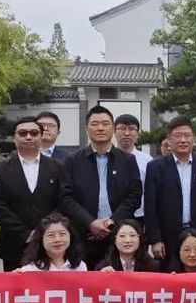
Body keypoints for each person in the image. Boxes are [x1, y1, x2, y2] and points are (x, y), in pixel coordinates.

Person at [59, 105, 142, 268]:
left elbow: (134, 196)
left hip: (118, 234)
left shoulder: (128, 160)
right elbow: (66, 197)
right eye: (95, 124)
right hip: (83, 235)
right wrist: (90, 222)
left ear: (113, 128)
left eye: (105, 124)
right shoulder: (73, 161)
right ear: (86, 129)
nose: (100, 128)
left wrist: (111, 223)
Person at [0, 116, 64, 271]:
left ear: (41, 136)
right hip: (14, 244)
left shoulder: (57, 168)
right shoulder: (0, 170)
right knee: (16, 285)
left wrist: (44, 229)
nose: (28, 137)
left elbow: (63, 200)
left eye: (34, 133)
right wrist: (24, 233)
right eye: (22, 133)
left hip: (51, 242)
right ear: (14, 138)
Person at [145, 116, 196, 266]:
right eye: (178, 136)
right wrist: (155, 239)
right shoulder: (155, 167)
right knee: (171, 274)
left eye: (187, 136)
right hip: (168, 235)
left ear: (194, 138)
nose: (183, 140)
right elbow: (150, 206)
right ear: (169, 139)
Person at [114, 114, 152, 225]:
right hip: (113, 216)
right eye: (122, 129)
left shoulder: (147, 161)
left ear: (138, 134)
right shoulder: (108, 158)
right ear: (114, 132)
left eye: (131, 129)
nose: (126, 133)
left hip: (140, 216)